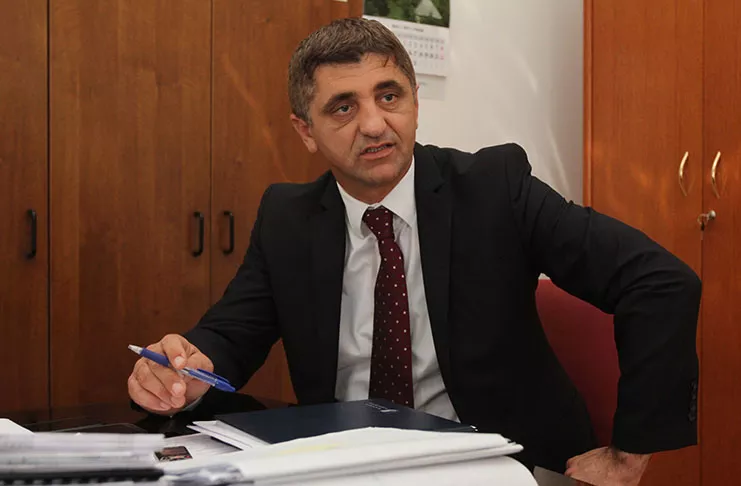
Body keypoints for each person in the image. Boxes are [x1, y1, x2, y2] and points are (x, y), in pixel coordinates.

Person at [128, 18, 700, 485]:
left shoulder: (494, 188)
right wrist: (187, 371)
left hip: (498, 467)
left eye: (389, 96)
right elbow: (230, 335)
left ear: (415, 101)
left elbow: (659, 280)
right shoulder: (288, 217)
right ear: (306, 131)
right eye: (343, 107)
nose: (374, 124)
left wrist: (629, 453)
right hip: (345, 468)